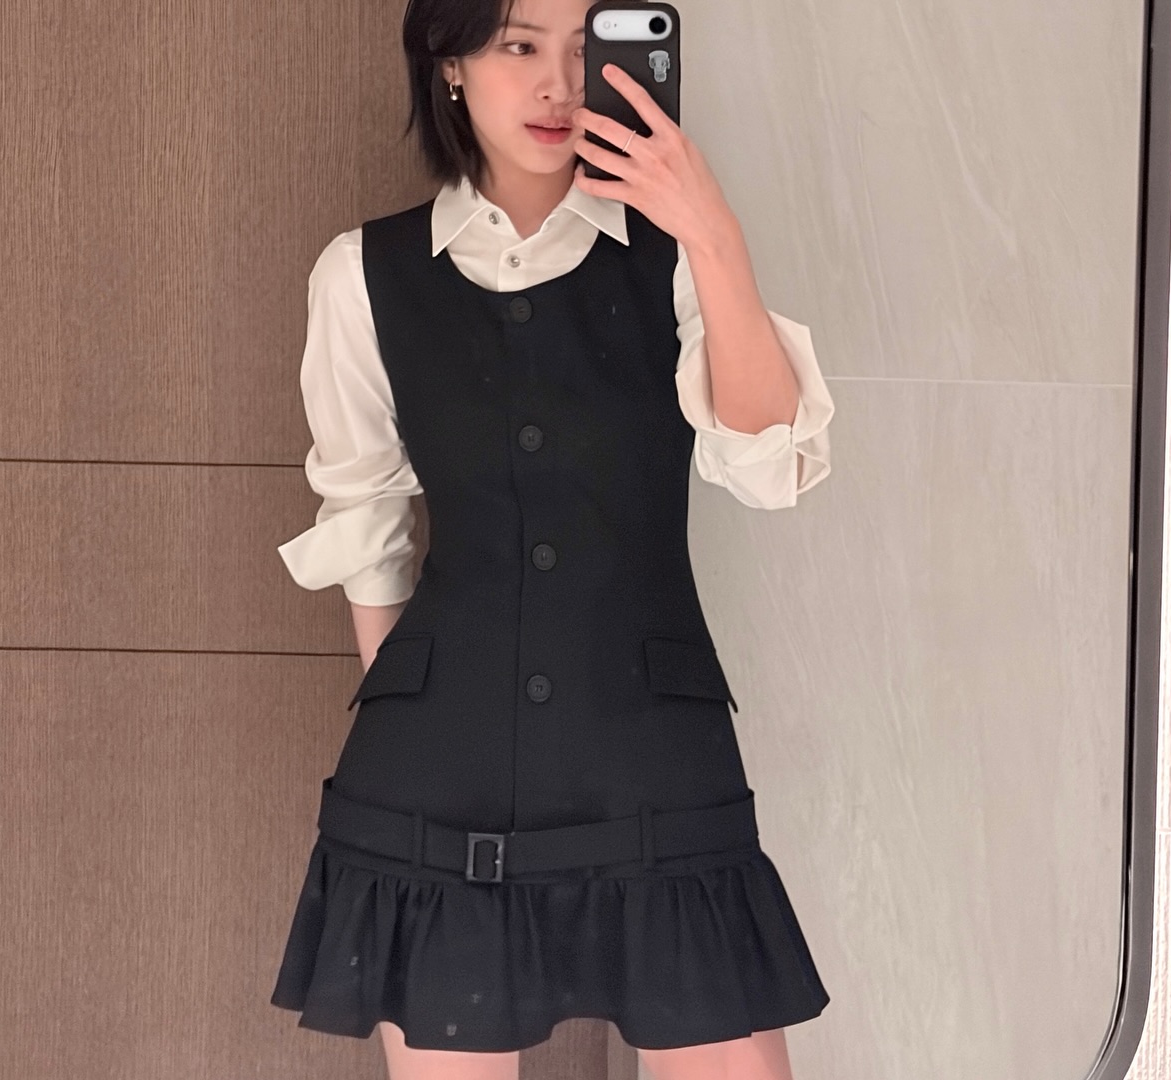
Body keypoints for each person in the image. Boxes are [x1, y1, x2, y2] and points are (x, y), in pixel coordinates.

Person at [269, 0, 836, 1076]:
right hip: (436, 772)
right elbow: (367, 518)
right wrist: (405, 697)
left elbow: (771, 469)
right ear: (449, 65)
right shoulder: (363, 272)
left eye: (587, 49)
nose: (559, 85)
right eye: (519, 46)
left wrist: (711, 231)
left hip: (653, 756)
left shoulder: (676, 256)